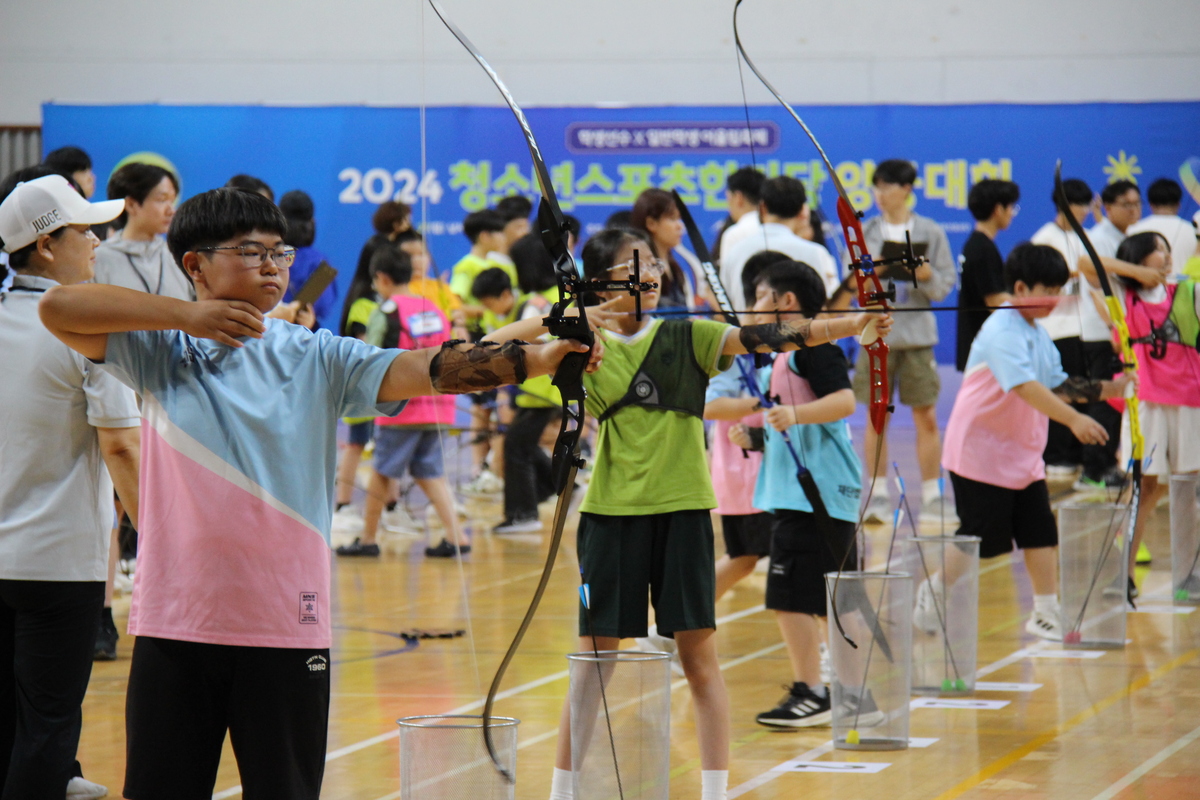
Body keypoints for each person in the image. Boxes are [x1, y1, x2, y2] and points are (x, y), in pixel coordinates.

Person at [36, 187, 591, 798]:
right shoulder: (161, 349)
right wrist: (187, 317)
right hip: (176, 622)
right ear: (195, 264)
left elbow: (425, 368)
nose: (273, 266)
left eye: (281, 253)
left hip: (286, 623)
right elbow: (59, 307)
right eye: (252, 251)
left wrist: (539, 360)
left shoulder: (316, 354)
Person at [483, 227, 891, 800]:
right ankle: (563, 792)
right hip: (610, 516)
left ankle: (714, 793)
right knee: (594, 664)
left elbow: (769, 335)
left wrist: (852, 325)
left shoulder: (691, 334)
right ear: (601, 282)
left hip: (684, 516)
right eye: (637, 263)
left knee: (699, 661)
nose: (652, 272)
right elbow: (489, 347)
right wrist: (564, 318)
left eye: (654, 262)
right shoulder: (578, 347)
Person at [0, 174, 139, 800]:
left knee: (13, 725)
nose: (98, 242)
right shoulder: (89, 327)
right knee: (47, 726)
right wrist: (160, 540)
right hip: (55, 565)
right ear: (46, 245)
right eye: (85, 231)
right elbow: (122, 445)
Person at [942, 243, 1130, 640]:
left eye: (1060, 290)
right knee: (978, 539)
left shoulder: (1036, 332)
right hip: (979, 452)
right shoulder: (1001, 330)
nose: (1056, 299)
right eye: (1049, 290)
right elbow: (1026, 387)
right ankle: (934, 593)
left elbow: (1058, 384)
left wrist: (1114, 388)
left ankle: (1045, 612)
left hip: (1021, 453)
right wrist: (1075, 420)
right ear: (1021, 288)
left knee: (1040, 530)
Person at [726, 260, 861, 727]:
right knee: (828, 600)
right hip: (813, 492)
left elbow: (844, 402)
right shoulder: (784, 356)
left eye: (760, 296)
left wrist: (794, 416)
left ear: (786, 301)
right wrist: (759, 436)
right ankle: (852, 693)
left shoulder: (812, 346)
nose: (753, 305)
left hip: (812, 497)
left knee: (790, 598)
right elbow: (799, 420)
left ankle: (812, 692)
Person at [1078, 231, 1200, 598]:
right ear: (1138, 256)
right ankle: (1125, 576)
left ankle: (1188, 575)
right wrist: (1135, 273)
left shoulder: (1188, 290)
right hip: (1144, 403)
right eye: (1157, 250)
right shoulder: (1122, 295)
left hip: (1188, 400)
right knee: (1143, 488)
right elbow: (1085, 264)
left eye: (1167, 249)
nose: (1166, 255)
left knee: (1186, 488)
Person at [336, 246, 468, 558]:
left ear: (382, 278)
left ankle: (368, 540)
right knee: (429, 471)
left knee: (382, 471)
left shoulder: (386, 312)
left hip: (401, 409)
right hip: (438, 406)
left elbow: (372, 360)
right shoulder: (434, 309)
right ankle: (457, 536)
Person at [850, 159, 956, 524]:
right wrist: (875, 268)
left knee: (926, 416)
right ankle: (877, 495)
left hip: (917, 337)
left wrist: (923, 273)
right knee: (876, 417)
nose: (880, 194)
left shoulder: (931, 231)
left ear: (907, 189)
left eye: (887, 187)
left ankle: (933, 496)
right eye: (876, 187)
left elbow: (943, 286)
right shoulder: (866, 232)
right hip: (875, 334)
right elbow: (853, 287)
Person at [472, 261, 562, 534]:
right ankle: (561, 488)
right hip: (527, 395)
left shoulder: (530, 308)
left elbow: (536, 350)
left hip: (543, 392)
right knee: (520, 445)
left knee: (515, 446)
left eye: (490, 303)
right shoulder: (498, 317)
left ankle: (523, 515)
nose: (488, 310)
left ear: (505, 295)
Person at [1031, 178, 1110, 481]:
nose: (1083, 211)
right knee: (1061, 391)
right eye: (1078, 205)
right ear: (1063, 205)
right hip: (1056, 328)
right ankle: (1057, 455)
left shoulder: (1087, 236)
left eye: (1086, 205)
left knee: (1084, 391)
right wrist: (1076, 272)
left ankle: (1079, 453)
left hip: (1085, 329)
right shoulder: (1044, 239)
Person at [720, 176, 840, 311]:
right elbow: (826, 307)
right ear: (802, 211)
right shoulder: (815, 253)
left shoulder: (736, 251)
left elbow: (723, 303)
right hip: (802, 325)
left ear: (762, 207)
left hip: (743, 324)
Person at [94, 162, 193, 301]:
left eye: (172, 201)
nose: (171, 210)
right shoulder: (99, 259)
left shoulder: (179, 257)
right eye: (162, 200)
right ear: (131, 204)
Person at [956, 179, 1020, 371]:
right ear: (998, 209)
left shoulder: (976, 244)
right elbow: (995, 302)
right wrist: (1033, 303)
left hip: (979, 345)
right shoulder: (982, 249)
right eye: (1011, 207)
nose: (1012, 213)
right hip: (985, 350)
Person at [279, 190, 339, 331]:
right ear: (312, 222)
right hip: (302, 330)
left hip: (265, 331)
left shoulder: (268, 255)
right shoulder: (317, 261)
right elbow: (324, 305)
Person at [1127, 178, 1196, 272]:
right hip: (1185, 281)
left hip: (1146, 280)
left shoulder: (1133, 230)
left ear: (1151, 205)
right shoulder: (1194, 231)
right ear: (1179, 205)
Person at [714, 166, 766, 262]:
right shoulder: (775, 228)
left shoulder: (734, 234)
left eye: (728, 198)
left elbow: (728, 272)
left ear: (738, 198)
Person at [1089, 180, 1142, 258]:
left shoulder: (1133, 233)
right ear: (1108, 207)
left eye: (1137, 203)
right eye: (1127, 204)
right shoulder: (1099, 239)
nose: (1133, 210)